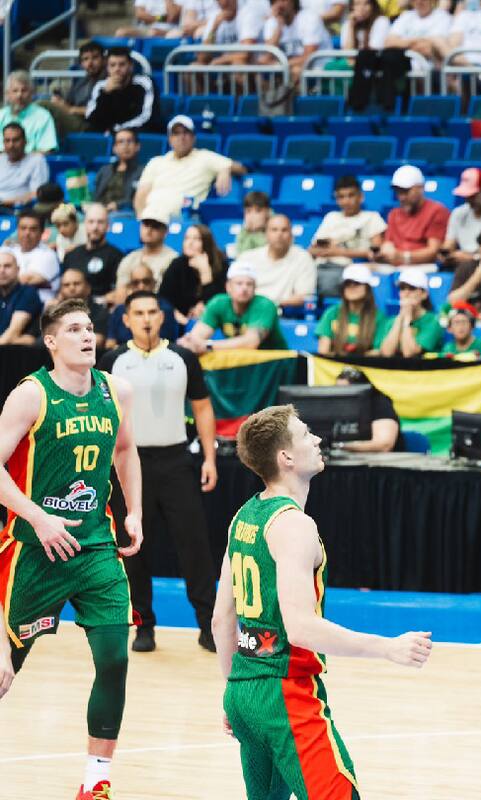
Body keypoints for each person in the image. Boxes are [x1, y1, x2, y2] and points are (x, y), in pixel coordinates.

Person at [211, 404, 432, 800]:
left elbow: (220, 620)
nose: (317, 439)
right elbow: (301, 627)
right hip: (286, 694)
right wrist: (387, 647)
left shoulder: (243, 515)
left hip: (244, 690)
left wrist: (233, 693)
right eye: (305, 434)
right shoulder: (294, 525)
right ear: (287, 458)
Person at [0, 298, 143, 800]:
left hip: (94, 548)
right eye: (74, 329)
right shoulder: (30, 396)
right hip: (34, 551)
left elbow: (125, 450)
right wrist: (37, 517)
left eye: (90, 328)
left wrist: (134, 511)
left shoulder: (115, 389)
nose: (87, 336)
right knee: (3, 673)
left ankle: (95, 781)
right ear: (51, 342)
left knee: (114, 659)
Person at [100, 290, 219, 655]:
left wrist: (210, 458)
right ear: (126, 319)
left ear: (161, 316)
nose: (147, 318)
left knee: (195, 547)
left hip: (177, 462)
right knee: (132, 547)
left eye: (152, 311)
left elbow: (202, 408)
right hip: (128, 466)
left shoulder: (182, 357)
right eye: (139, 313)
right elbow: (102, 416)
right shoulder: (112, 361)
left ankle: (208, 626)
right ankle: (143, 626)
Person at [134, 115, 244, 217]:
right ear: (170, 139)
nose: (181, 137)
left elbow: (241, 168)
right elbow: (141, 195)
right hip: (152, 219)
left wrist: (226, 168)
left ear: (193, 137)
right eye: (176, 133)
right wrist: (141, 220)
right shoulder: (155, 162)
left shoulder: (205, 157)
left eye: (186, 132)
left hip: (185, 219)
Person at [178, 262, 289, 352]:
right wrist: (190, 342)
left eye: (249, 284)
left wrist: (208, 346)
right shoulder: (219, 303)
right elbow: (197, 336)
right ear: (228, 287)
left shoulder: (265, 305)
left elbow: (251, 343)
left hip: (274, 365)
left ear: (255, 288)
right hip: (239, 362)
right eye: (239, 283)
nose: (244, 288)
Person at [309, 175, 387, 293]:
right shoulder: (331, 217)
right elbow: (312, 250)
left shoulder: (372, 217)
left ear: (361, 197)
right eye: (341, 197)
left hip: (351, 269)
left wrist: (341, 252)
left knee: (329, 281)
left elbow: (376, 253)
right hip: (322, 266)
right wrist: (325, 250)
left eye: (351, 195)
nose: (346, 201)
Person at [240, 214, 317, 309]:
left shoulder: (303, 258)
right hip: (250, 310)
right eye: (274, 230)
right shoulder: (247, 258)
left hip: (284, 313)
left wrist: (272, 305)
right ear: (266, 234)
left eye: (284, 230)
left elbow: (305, 296)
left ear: (291, 235)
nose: (279, 234)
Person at [380, 165, 449, 268]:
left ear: (420, 188)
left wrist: (403, 257)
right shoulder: (393, 214)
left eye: (406, 191)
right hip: (394, 266)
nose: (402, 197)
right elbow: (388, 243)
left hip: (423, 267)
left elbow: (434, 251)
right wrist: (384, 251)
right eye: (398, 192)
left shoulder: (437, 211)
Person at [316, 264, 392, 356]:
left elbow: (378, 351)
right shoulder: (331, 313)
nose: (351, 287)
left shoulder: (379, 317)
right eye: (347, 284)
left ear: (367, 288)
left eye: (357, 283)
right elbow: (323, 351)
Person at [159, 223, 229, 321]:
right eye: (187, 238)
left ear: (206, 242)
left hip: (212, 320)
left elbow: (221, 302)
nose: (190, 242)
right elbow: (163, 298)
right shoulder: (177, 264)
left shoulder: (221, 264)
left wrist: (205, 273)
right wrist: (176, 315)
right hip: (179, 321)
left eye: (196, 239)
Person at [84, 47, 159, 135]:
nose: (117, 69)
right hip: (109, 134)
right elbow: (91, 119)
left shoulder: (144, 83)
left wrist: (117, 130)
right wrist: (105, 94)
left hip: (137, 133)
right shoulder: (101, 86)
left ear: (131, 66)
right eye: (112, 65)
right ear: (107, 68)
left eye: (122, 64)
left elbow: (146, 117)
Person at [106, 266, 181, 349]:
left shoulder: (165, 308)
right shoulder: (119, 310)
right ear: (130, 285)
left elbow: (167, 343)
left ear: (154, 283)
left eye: (146, 281)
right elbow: (110, 343)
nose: (141, 286)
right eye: (136, 283)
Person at [260, 0, 332, 83]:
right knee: (260, 73)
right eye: (275, 1)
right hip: (288, 68)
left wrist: (279, 65)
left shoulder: (310, 18)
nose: (279, 5)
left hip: (318, 67)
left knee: (296, 71)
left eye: (283, 0)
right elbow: (267, 57)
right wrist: (279, 28)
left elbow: (309, 57)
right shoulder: (272, 22)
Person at [63, 205, 124, 301]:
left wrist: (100, 301)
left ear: (108, 226)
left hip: (100, 309)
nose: (95, 227)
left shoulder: (116, 256)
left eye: (100, 222)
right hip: (70, 306)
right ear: (85, 224)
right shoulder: (71, 254)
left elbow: (120, 290)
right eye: (91, 222)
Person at [332, 367, 402, 452]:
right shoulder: (337, 406)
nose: (340, 395)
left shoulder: (380, 403)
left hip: (382, 462)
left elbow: (384, 445)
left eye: (345, 390)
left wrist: (340, 446)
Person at [114, 207, 180, 295]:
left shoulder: (173, 260)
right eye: (146, 224)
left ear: (165, 231)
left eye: (155, 226)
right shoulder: (130, 259)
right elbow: (120, 294)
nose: (149, 230)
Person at [379, 268, 444, 357]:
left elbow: (409, 353)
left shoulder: (434, 321)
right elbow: (386, 352)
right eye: (402, 288)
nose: (406, 293)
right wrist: (400, 318)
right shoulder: (392, 321)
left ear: (424, 294)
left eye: (412, 288)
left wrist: (407, 319)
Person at [46, 41, 107, 134]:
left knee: (44, 106)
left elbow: (101, 111)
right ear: (81, 63)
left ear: (104, 60)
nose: (90, 63)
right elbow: (68, 102)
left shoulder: (109, 81)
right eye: (85, 59)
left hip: (90, 125)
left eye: (95, 58)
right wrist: (60, 102)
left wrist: (71, 109)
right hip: (75, 120)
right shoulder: (81, 82)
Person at [383, 0, 453, 76]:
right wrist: (416, 42)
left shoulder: (442, 16)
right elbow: (388, 42)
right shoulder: (406, 15)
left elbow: (429, 47)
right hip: (404, 68)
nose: (419, 1)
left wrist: (402, 45)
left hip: (432, 70)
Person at [48, 266, 111, 351]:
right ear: (61, 290)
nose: (72, 288)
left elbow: (97, 341)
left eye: (76, 283)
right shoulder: (54, 312)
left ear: (88, 288)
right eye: (66, 285)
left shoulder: (99, 311)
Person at [6, 210, 61, 304]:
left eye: (33, 229)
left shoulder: (48, 255)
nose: (27, 233)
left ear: (42, 232)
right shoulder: (9, 251)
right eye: (23, 228)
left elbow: (26, 279)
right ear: (17, 230)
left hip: (38, 309)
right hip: (9, 305)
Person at [0, 71, 58, 154]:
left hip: (32, 164)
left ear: (31, 94)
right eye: (15, 91)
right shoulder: (1, 115)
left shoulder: (43, 116)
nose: (19, 95)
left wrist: (22, 160)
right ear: (7, 95)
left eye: (24, 91)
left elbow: (47, 150)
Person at [93, 129, 146, 213]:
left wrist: (119, 205)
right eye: (121, 142)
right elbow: (95, 196)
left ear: (137, 146)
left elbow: (142, 200)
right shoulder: (104, 170)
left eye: (129, 141)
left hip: (126, 214)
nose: (125, 145)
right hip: (100, 213)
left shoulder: (144, 172)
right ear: (114, 148)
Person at [0, 123, 48, 208]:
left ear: (25, 141)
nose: (11, 145)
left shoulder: (36, 161)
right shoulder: (1, 159)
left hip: (21, 211)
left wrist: (4, 202)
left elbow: (37, 194)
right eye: (7, 141)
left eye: (16, 140)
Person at [0, 249, 41, 345]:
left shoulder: (28, 292)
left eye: (7, 266)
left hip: (17, 354)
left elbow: (11, 335)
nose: (2, 270)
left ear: (18, 270)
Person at [116, 0, 182, 36]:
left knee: (153, 33)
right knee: (121, 32)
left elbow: (172, 17)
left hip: (168, 30)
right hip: (144, 28)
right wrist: (162, 18)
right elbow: (140, 14)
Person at [236, 191, 272, 256]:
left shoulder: (278, 226)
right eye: (248, 211)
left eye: (258, 211)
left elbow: (268, 254)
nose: (252, 216)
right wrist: (248, 232)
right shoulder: (245, 229)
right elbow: (240, 255)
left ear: (267, 212)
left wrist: (256, 233)